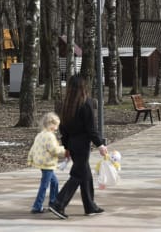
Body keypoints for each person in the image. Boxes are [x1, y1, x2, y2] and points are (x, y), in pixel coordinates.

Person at [49, 74, 107, 219]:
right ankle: (58, 204)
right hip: (82, 145)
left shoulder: (66, 105)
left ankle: (90, 206)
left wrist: (67, 147)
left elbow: (64, 129)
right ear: (83, 87)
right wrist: (100, 144)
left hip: (73, 145)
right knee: (77, 175)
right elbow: (91, 129)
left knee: (85, 175)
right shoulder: (86, 103)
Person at [27, 112, 66, 214]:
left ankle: (53, 202)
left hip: (42, 163)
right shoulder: (49, 136)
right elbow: (54, 150)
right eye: (56, 125)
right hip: (47, 164)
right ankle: (37, 206)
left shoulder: (40, 135)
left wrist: (30, 159)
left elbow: (33, 148)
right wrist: (65, 149)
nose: (57, 128)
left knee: (55, 182)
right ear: (51, 125)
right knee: (44, 185)